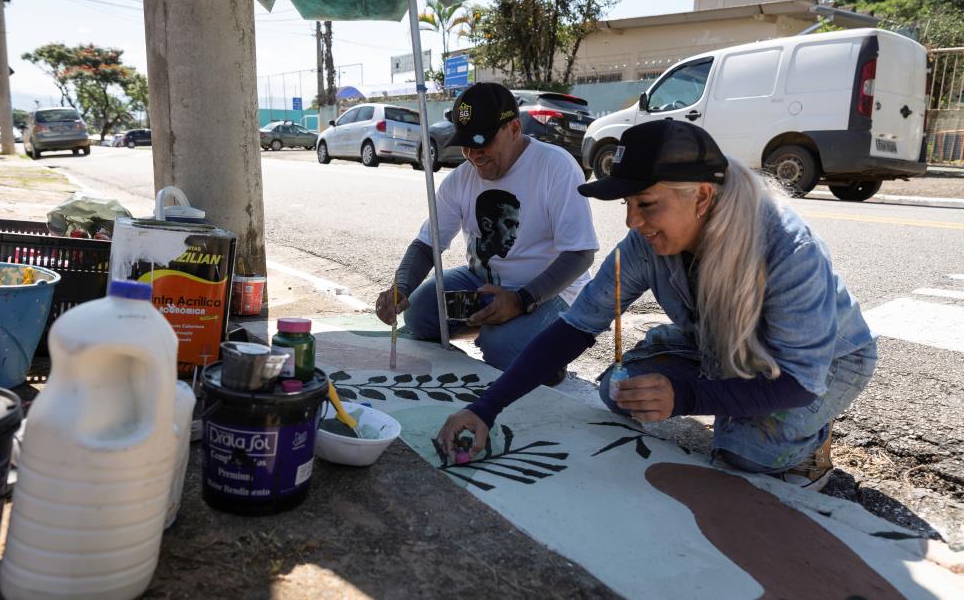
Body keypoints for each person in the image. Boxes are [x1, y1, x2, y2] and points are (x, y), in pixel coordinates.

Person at [437, 120, 877, 490]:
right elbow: (575, 327)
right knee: (620, 390)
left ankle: (811, 439)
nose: (632, 221)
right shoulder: (644, 244)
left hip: (817, 364)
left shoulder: (788, 250)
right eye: (628, 204)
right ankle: (722, 388)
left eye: (646, 203)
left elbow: (799, 380)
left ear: (702, 196)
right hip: (714, 342)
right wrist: (484, 408)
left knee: (745, 455)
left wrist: (684, 394)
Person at [375, 82, 599, 377]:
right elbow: (427, 244)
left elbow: (580, 254)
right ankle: (508, 328)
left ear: (515, 129)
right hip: (483, 284)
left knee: (502, 349)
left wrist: (521, 301)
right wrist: (400, 287)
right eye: (466, 144)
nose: (474, 154)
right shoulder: (460, 179)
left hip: (553, 292)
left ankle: (543, 349)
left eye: (482, 142)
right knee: (420, 314)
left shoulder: (555, 167)